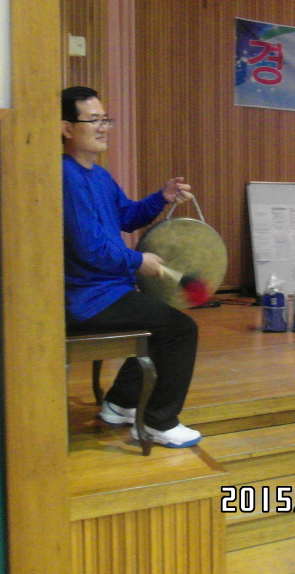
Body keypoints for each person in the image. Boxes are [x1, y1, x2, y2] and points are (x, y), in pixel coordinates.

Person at [61, 86, 202, 448]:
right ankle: (157, 421)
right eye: (93, 120)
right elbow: (90, 249)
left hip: (110, 291)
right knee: (180, 329)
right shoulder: (65, 177)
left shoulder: (98, 175)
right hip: (87, 299)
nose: (103, 126)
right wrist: (138, 261)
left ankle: (120, 404)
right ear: (66, 128)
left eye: (105, 119)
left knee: (161, 321)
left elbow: (126, 216)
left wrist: (161, 197)